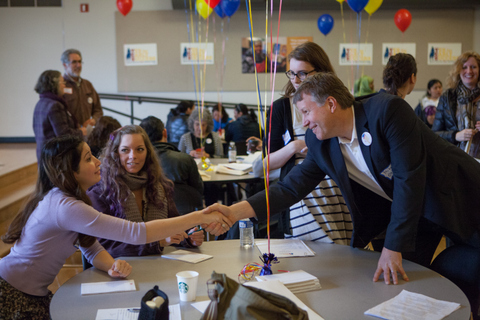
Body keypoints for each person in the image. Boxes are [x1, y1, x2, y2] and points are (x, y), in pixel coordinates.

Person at [206, 72, 480, 318]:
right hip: (417, 216)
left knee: (465, 268)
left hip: (464, 198)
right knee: (412, 283)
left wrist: (392, 246)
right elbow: (290, 188)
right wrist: (234, 211)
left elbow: (409, 180)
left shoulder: (387, 111)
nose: (304, 122)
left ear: (331, 104)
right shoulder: (321, 142)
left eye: (305, 111)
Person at [0, 135, 231, 319]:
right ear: (70, 171)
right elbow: (137, 233)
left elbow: (89, 246)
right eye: (89, 158)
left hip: (31, 293)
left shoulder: (69, 200)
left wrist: (110, 266)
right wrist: (198, 217)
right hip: (14, 295)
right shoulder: (65, 206)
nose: (98, 162)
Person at [249, 41, 352, 244]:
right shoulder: (281, 109)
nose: (296, 80)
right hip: (302, 193)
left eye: (303, 73)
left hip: (337, 189)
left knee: (343, 250)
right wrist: (295, 147)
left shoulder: (335, 102)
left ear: (321, 72)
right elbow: (266, 163)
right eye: (291, 73)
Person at [87, 125, 205, 258]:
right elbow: (106, 247)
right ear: (115, 154)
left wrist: (189, 236)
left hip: (158, 267)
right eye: (125, 150)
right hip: (118, 271)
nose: (133, 156)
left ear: (148, 152)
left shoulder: (160, 186)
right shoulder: (100, 192)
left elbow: (173, 224)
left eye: (140, 149)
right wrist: (157, 242)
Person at [139, 116, 204, 214]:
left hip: (152, 217)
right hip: (188, 216)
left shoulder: (139, 163)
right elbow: (199, 189)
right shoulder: (185, 159)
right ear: (165, 133)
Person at [33, 70, 85, 161]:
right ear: (54, 84)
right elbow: (63, 134)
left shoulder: (40, 103)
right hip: (55, 156)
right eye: (62, 82)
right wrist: (82, 132)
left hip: (44, 153)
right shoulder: (55, 105)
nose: (64, 85)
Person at [432, 51, 480, 150]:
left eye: (473, 67)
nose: (469, 71)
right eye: (464, 67)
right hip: (455, 158)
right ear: (458, 71)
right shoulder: (447, 97)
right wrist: (455, 136)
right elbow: (434, 134)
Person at [61, 49, 103, 129]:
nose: (78, 65)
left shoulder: (87, 85)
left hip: (87, 133)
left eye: (80, 62)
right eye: (74, 62)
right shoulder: (61, 86)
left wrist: (94, 120)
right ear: (65, 65)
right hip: (69, 134)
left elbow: (98, 110)